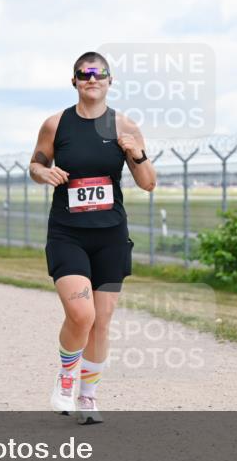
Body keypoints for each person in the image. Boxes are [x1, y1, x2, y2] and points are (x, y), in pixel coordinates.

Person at [29, 52, 157, 424]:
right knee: (81, 313)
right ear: (74, 81)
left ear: (109, 80)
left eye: (99, 73)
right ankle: (66, 376)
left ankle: (88, 396)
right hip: (67, 233)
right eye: (84, 74)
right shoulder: (56, 125)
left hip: (111, 237)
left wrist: (138, 154)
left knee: (102, 321)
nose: (92, 79)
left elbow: (148, 183)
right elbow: (36, 163)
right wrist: (44, 173)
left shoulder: (125, 126)